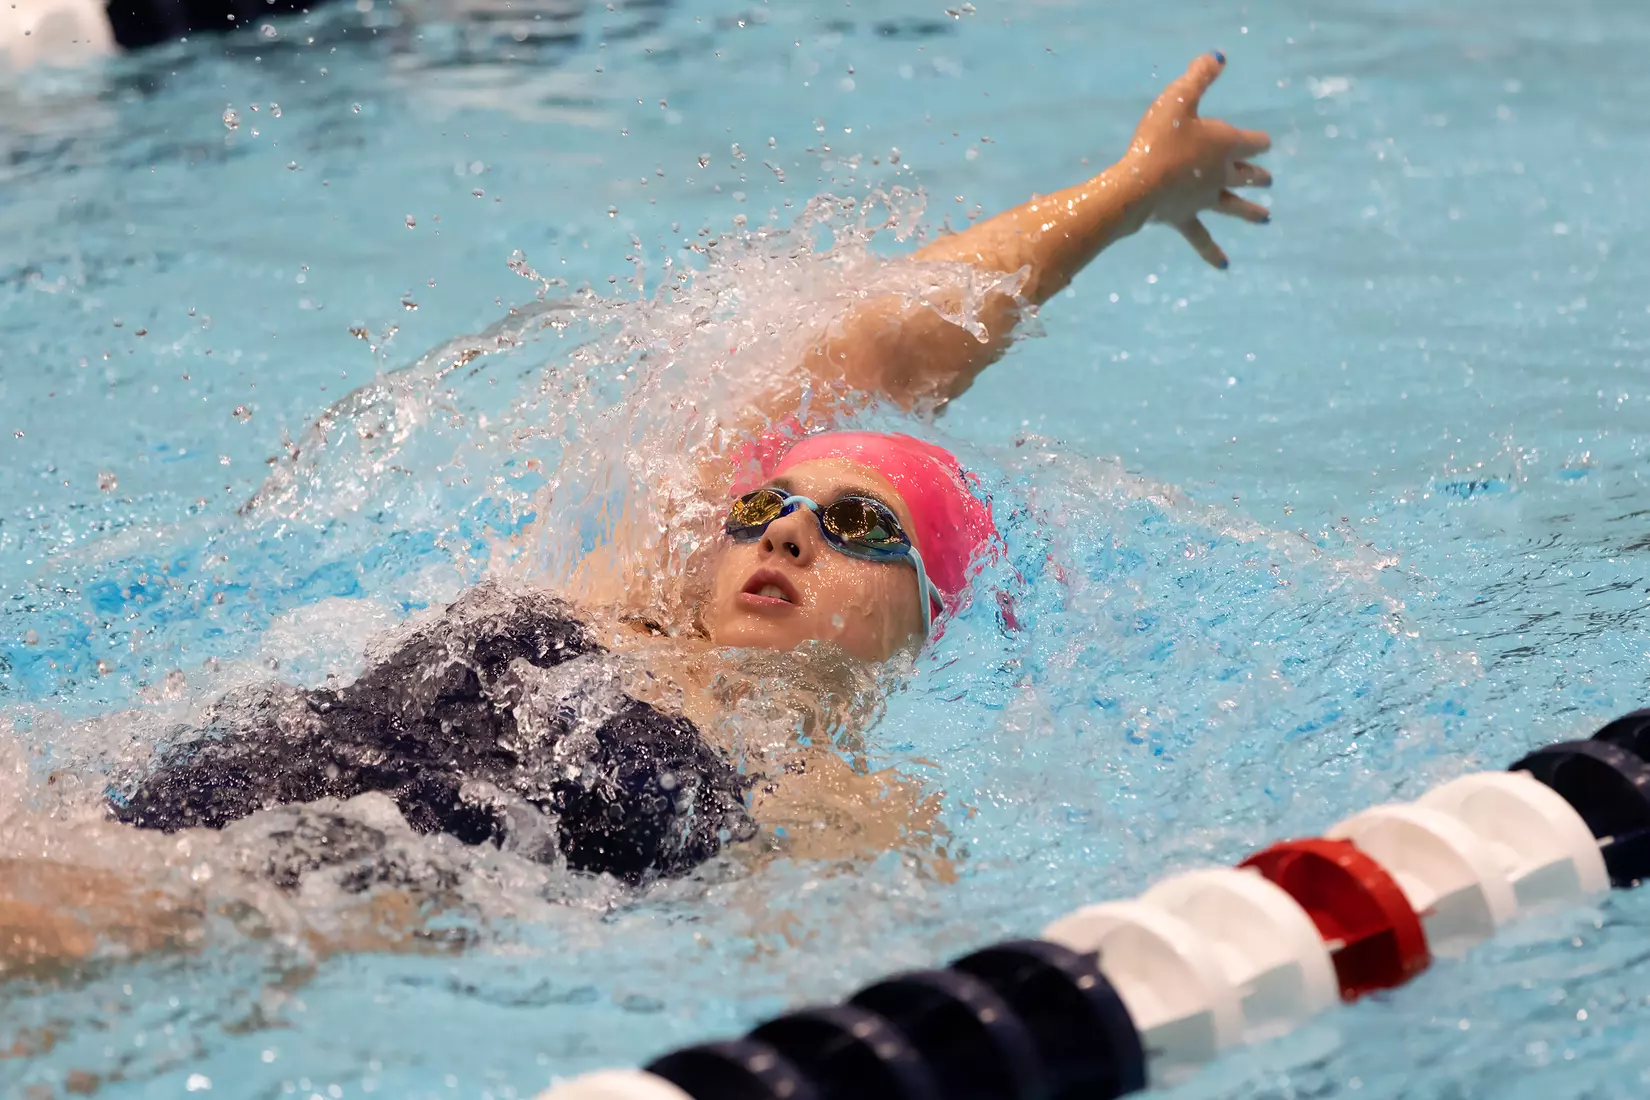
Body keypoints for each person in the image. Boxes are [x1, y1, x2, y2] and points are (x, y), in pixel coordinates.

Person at [1, 54, 1271, 969]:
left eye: (861, 524)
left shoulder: (843, 809)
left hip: (275, 908)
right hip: (157, 802)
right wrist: (1125, 194)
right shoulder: (619, 593)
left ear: (923, 619)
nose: (787, 532)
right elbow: (890, 336)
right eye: (771, 503)